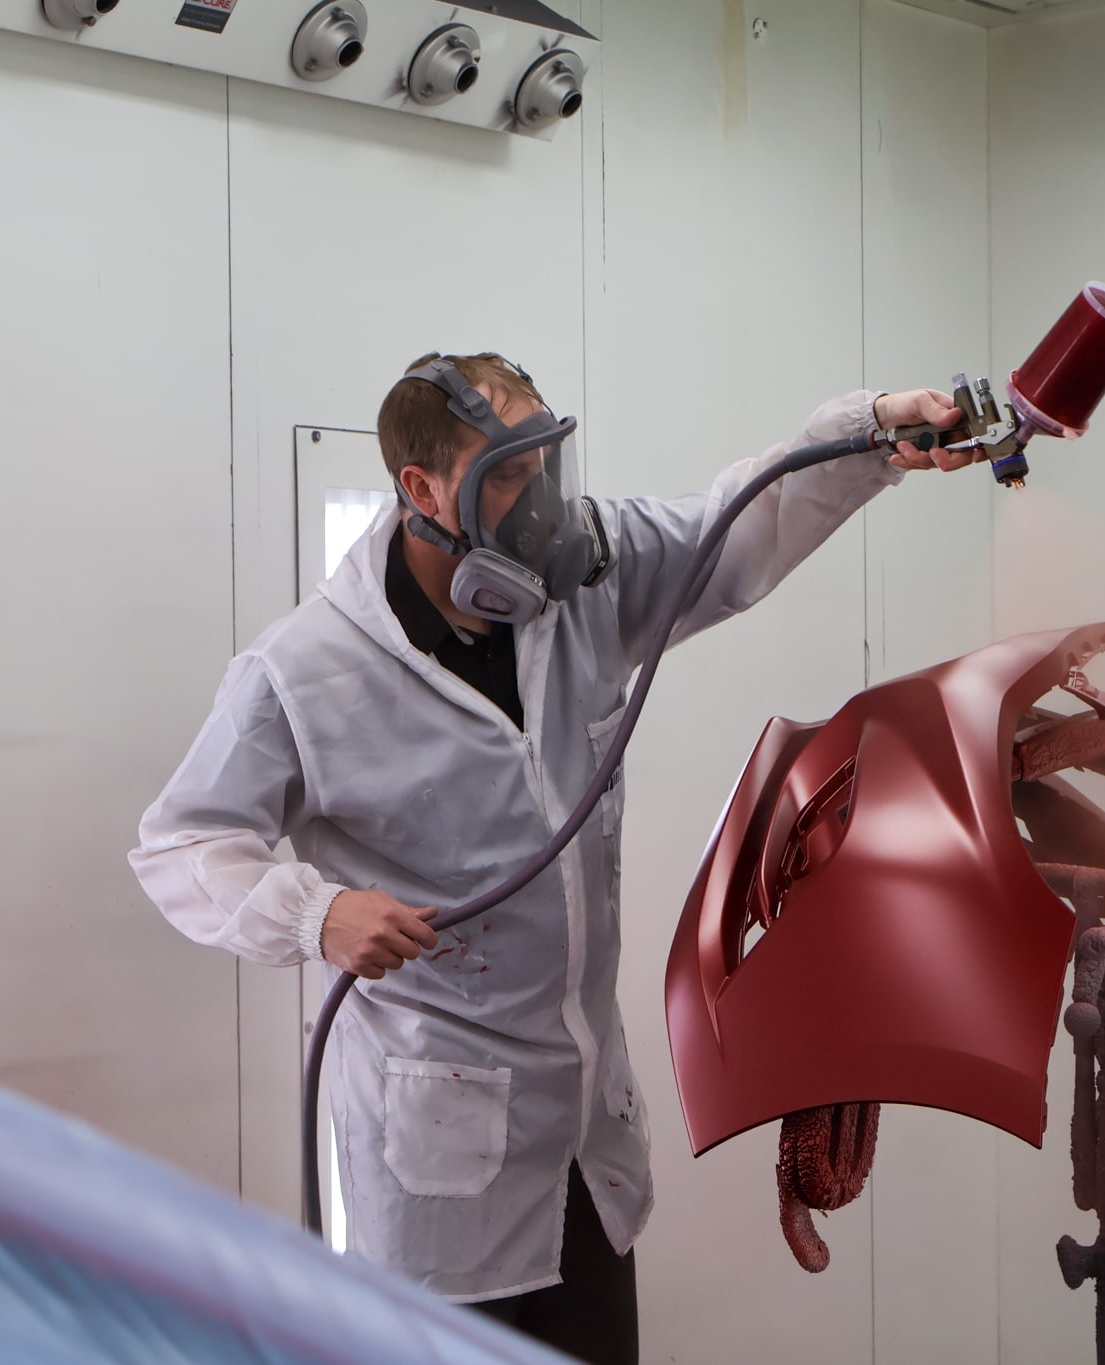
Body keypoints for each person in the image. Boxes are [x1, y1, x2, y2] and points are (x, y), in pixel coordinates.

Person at [130, 353, 970, 1364]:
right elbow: (181, 845)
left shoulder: (583, 585)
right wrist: (316, 915)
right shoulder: (305, 671)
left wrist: (871, 432)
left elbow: (737, 526)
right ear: (421, 490)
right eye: (505, 477)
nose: (540, 506)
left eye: (544, 466)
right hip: (437, 1173)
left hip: (581, 1150)